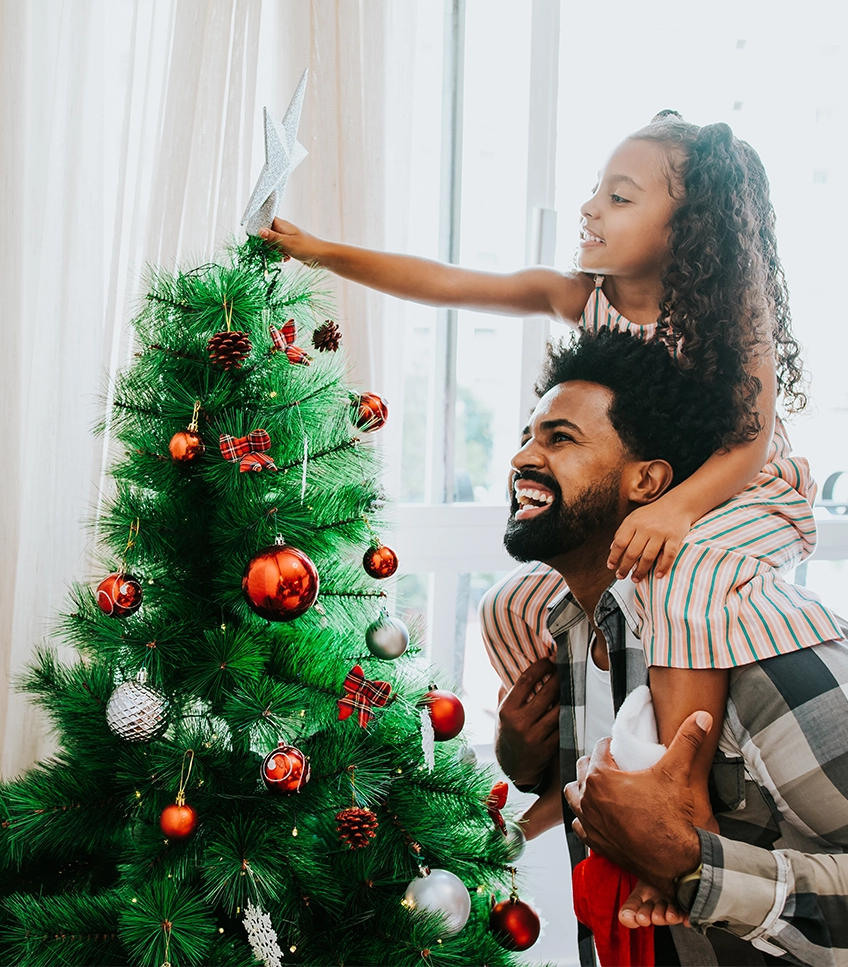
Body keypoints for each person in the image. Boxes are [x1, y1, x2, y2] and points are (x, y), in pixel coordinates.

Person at [261, 111, 844, 920]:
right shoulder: (584, 298)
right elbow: (448, 279)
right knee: (518, 605)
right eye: (594, 191)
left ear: (689, 228)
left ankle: (680, 793)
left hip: (741, 496)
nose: (591, 209)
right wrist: (316, 250)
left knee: (685, 580)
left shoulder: (729, 311)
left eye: (619, 196)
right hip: (661, 500)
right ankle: (566, 775)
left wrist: (677, 508)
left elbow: (747, 445)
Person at [496, 328, 848, 966]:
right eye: (527, 436)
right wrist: (523, 763)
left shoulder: (755, 642)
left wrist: (695, 864)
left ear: (649, 481)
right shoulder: (570, 632)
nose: (523, 457)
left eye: (560, 438)